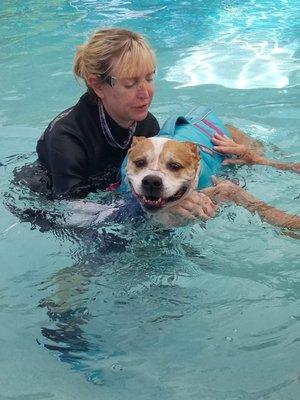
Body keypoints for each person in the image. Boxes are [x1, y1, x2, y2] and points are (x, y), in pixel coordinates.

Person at [17, 27, 217, 221]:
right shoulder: (67, 137)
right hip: (47, 208)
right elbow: (71, 211)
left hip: (113, 196)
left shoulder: (146, 124)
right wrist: (145, 207)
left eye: (149, 78)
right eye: (130, 83)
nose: (145, 93)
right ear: (97, 86)